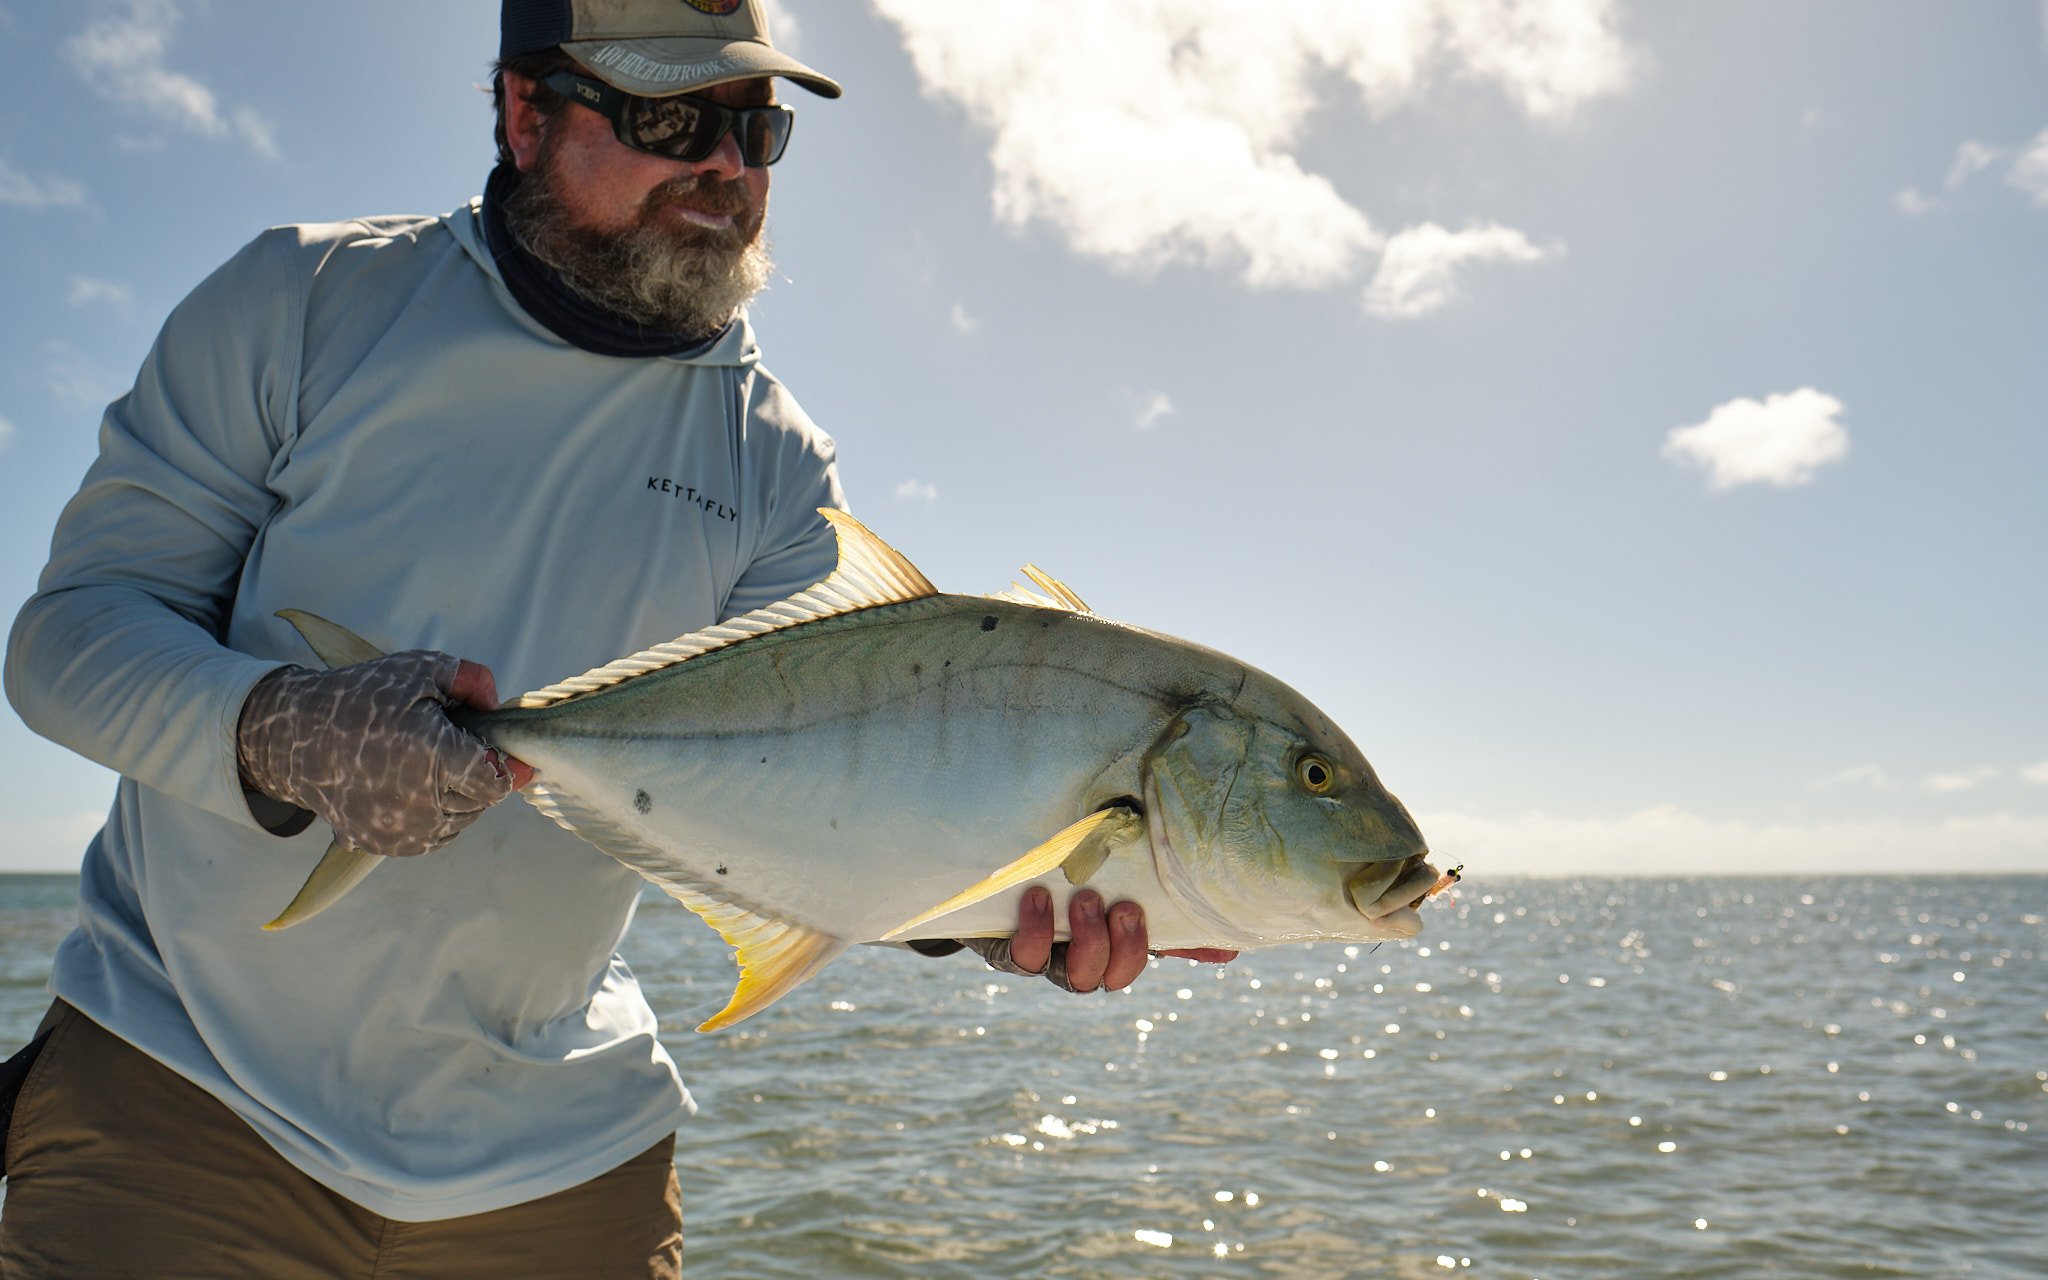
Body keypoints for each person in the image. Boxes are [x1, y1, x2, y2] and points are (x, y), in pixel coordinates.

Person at [0, 3, 1230, 1275]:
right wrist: (278, 731)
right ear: (526, 114)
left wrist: (990, 900)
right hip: (178, 1101)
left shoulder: (777, 469)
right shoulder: (306, 301)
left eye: (755, 130)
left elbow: (825, 794)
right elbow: (70, 637)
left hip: (562, 1158)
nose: (726, 169)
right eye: (668, 118)